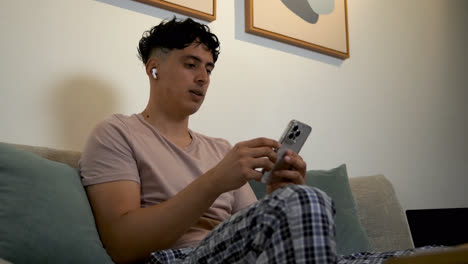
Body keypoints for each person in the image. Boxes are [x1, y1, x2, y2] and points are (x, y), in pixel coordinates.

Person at [80, 17, 425, 264]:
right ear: (154, 69)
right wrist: (215, 181)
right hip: (178, 257)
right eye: (191, 64)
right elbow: (122, 245)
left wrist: (280, 198)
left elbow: (253, 224)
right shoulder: (117, 133)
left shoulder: (218, 148)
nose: (203, 78)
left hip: (248, 254)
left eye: (209, 69)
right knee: (307, 200)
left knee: (430, 255)